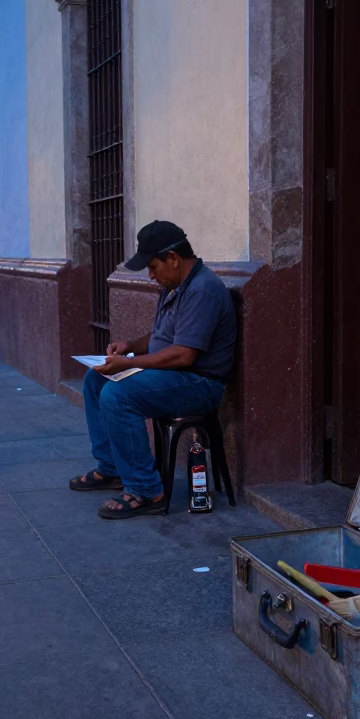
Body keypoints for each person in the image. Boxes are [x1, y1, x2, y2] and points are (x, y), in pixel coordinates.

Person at [71, 221, 236, 520]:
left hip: (199, 383)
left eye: (153, 266)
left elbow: (184, 354)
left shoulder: (202, 290)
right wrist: (129, 346)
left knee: (118, 395)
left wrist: (130, 363)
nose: (150, 275)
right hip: (175, 376)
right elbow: (162, 338)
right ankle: (111, 468)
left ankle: (146, 491)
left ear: (173, 259)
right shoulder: (175, 286)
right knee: (96, 379)